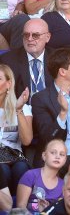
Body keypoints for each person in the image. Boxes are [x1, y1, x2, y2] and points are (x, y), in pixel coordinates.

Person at [0, 18, 53, 99]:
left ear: (47, 37)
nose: (30, 39)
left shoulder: (58, 59)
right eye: (26, 35)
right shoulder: (7, 61)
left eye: (35, 35)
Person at [0, 64, 32, 195]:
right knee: (3, 170)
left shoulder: (23, 107)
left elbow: (27, 140)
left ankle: (20, 208)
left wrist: (18, 110)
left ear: (9, 84)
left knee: (22, 168)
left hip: (15, 157)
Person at [16, 139, 67, 213]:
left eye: (62, 154)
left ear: (65, 160)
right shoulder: (30, 175)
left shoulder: (63, 185)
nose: (57, 156)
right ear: (44, 156)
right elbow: (20, 207)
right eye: (53, 152)